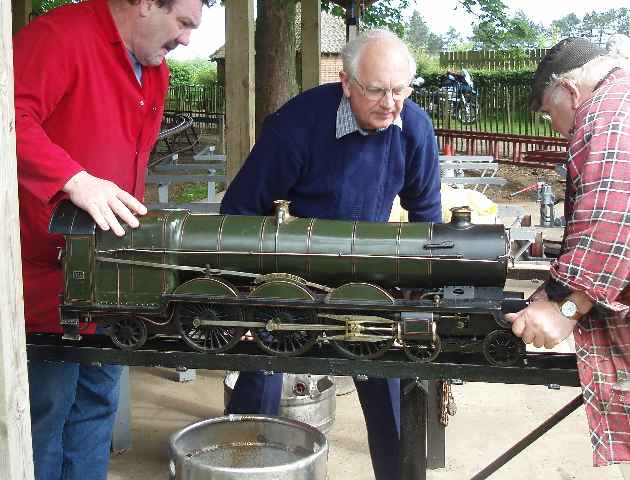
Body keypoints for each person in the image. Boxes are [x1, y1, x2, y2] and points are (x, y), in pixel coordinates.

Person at [220, 29, 442, 480]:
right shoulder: (295, 126)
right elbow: (239, 212)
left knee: (389, 383)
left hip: (369, 278)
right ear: (346, 82)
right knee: (259, 375)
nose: (390, 103)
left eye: (401, 90)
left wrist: (423, 296)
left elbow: (427, 221)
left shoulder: (414, 127)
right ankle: (240, 469)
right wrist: (241, 298)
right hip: (285, 280)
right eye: (377, 90)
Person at [13, 0, 211, 478]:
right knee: (45, 413)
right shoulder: (59, 37)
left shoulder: (153, 68)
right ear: (145, 4)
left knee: (99, 404)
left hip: (116, 279)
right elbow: (8, 115)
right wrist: (73, 179)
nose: (187, 38)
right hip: (46, 280)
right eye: (183, 22)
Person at [506, 37, 630, 473]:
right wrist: (549, 293)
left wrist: (565, 308)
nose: (552, 125)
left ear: (569, 92)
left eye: (547, 112)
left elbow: (612, 219)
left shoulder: (606, 113)